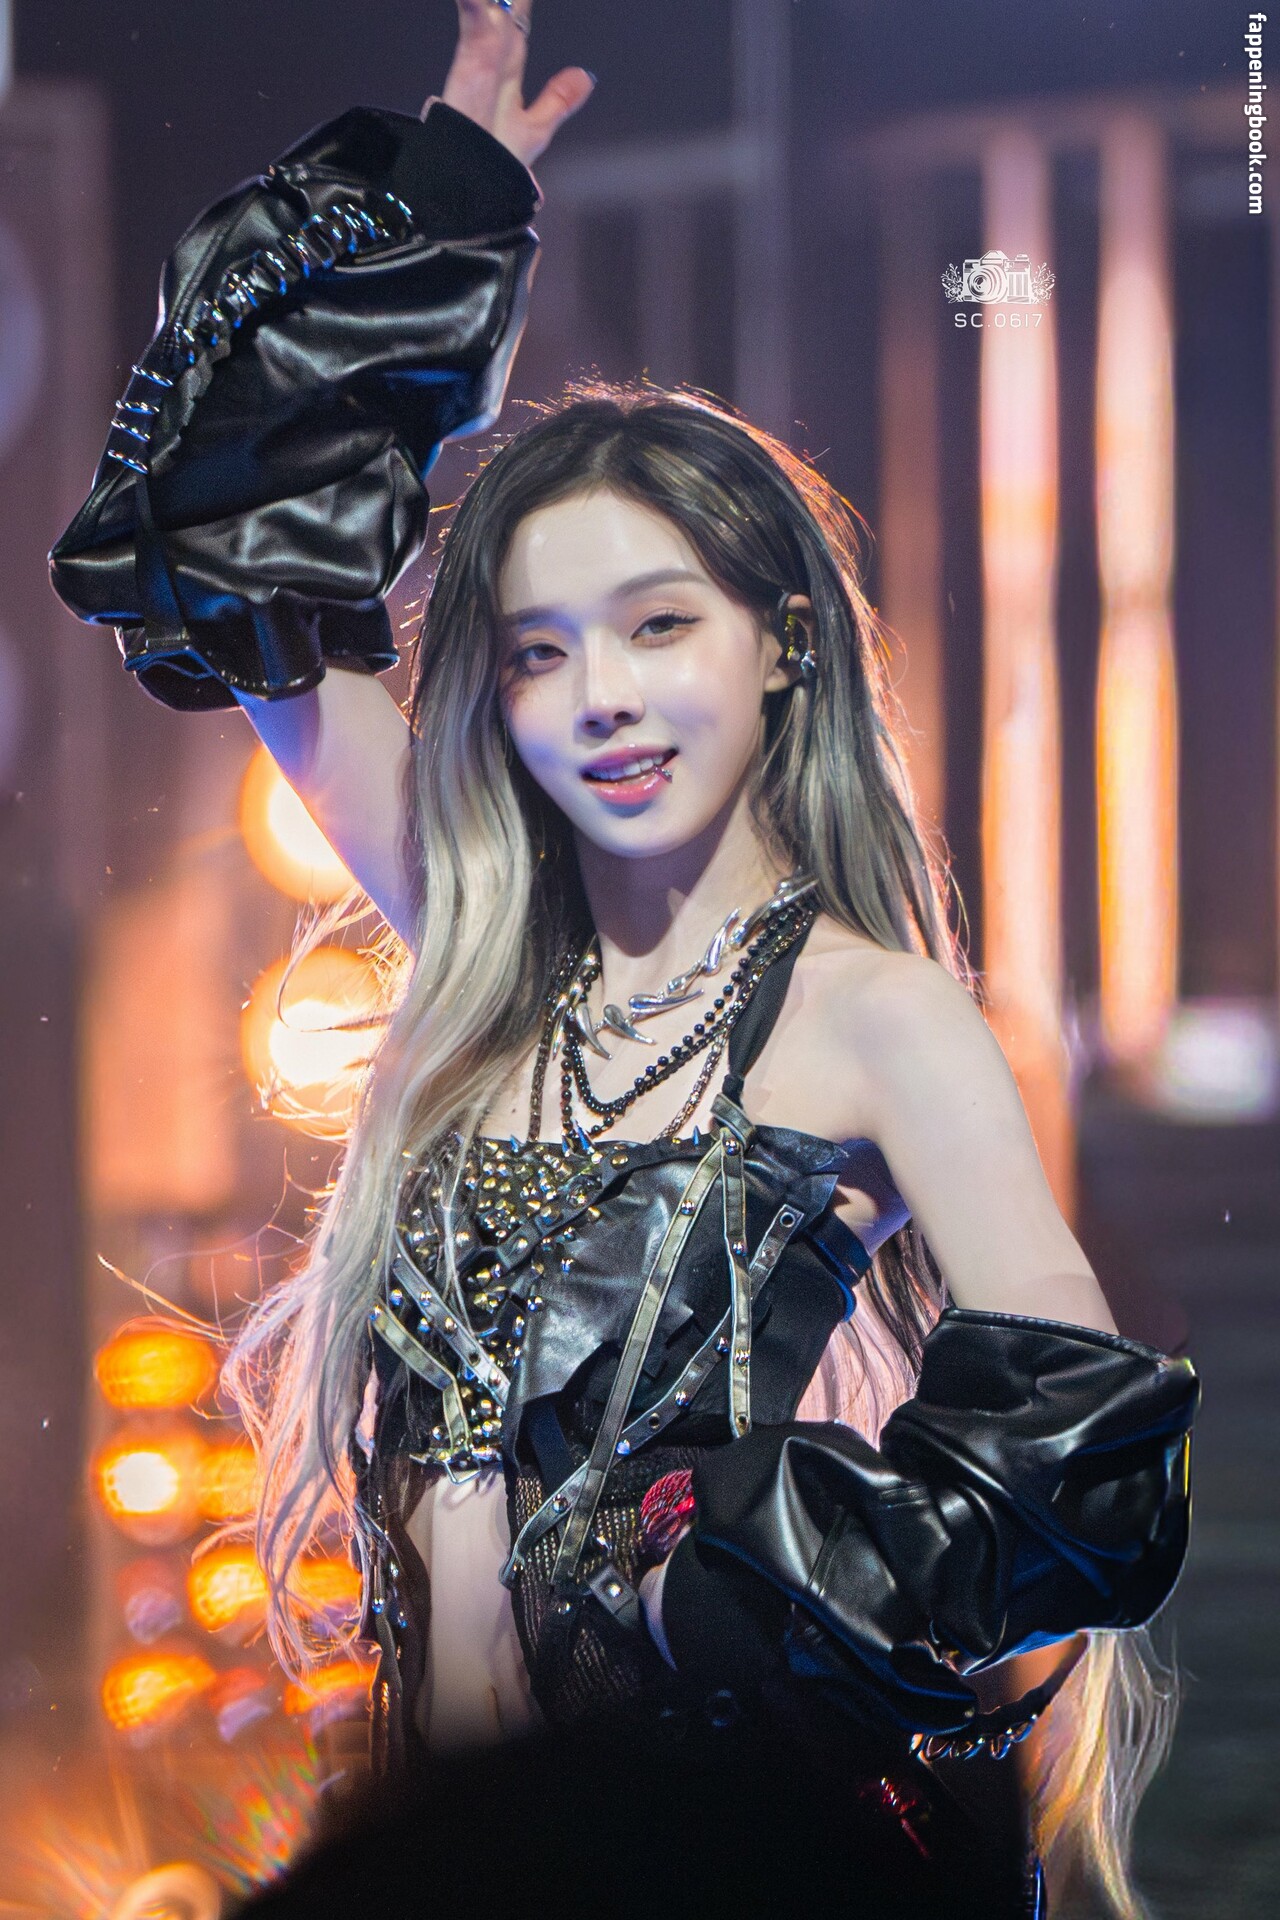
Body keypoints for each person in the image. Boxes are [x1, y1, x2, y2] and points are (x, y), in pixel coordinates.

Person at [50, 4, 1198, 1913]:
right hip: (449, 1829)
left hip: (725, 1854)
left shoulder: (878, 1014)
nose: (601, 696)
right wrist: (440, 214)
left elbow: (1084, 1454)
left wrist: (711, 1585)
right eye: (538, 649)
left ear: (781, 644)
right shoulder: (484, 934)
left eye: (659, 625)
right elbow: (229, 550)